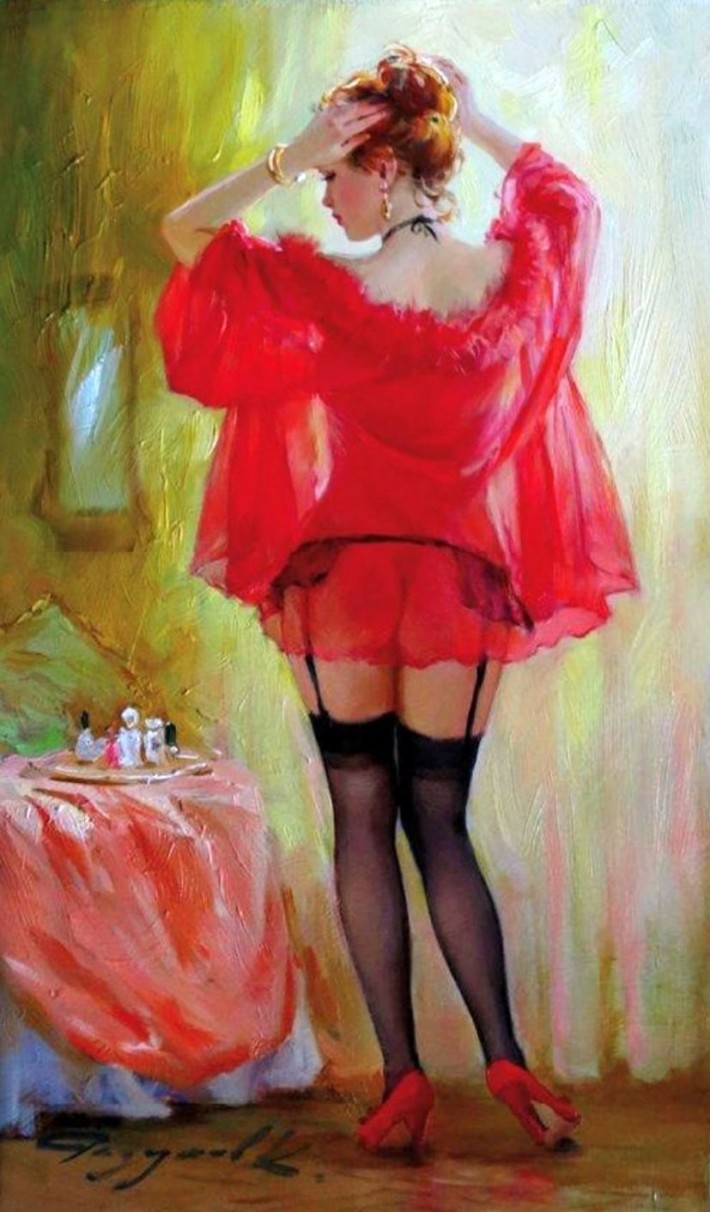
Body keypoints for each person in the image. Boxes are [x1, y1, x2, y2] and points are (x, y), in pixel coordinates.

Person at [156, 44, 637, 1153]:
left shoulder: (331, 289)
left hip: (343, 584)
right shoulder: (506, 280)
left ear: (380, 166)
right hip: (456, 586)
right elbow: (570, 203)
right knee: (440, 820)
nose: (325, 198)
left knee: (361, 815)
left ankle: (403, 1079)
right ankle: (506, 1057)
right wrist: (479, 118)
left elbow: (185, 234)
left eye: (337, 175)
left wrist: (282, 160)